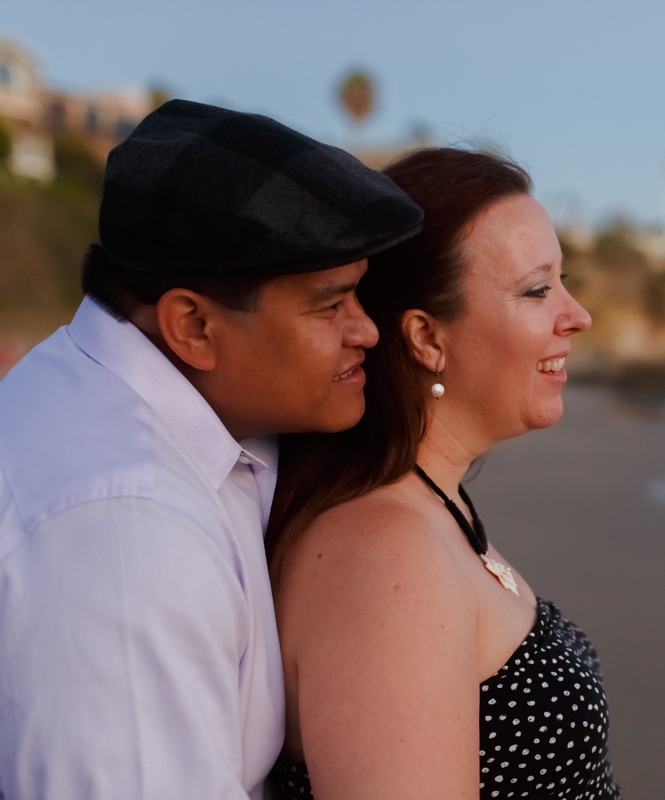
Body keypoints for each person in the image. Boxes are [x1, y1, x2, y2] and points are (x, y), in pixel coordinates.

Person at [0, 100, 423, 799]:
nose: (367, 332)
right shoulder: (125, 535)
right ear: (193, 326)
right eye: (331, 304)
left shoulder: (182, 410)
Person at [265, 148, 619, 800]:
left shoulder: (430, 510)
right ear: (427, 338)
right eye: (537, 290)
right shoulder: (383, 554)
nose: (577, 314)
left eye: (563, 282)